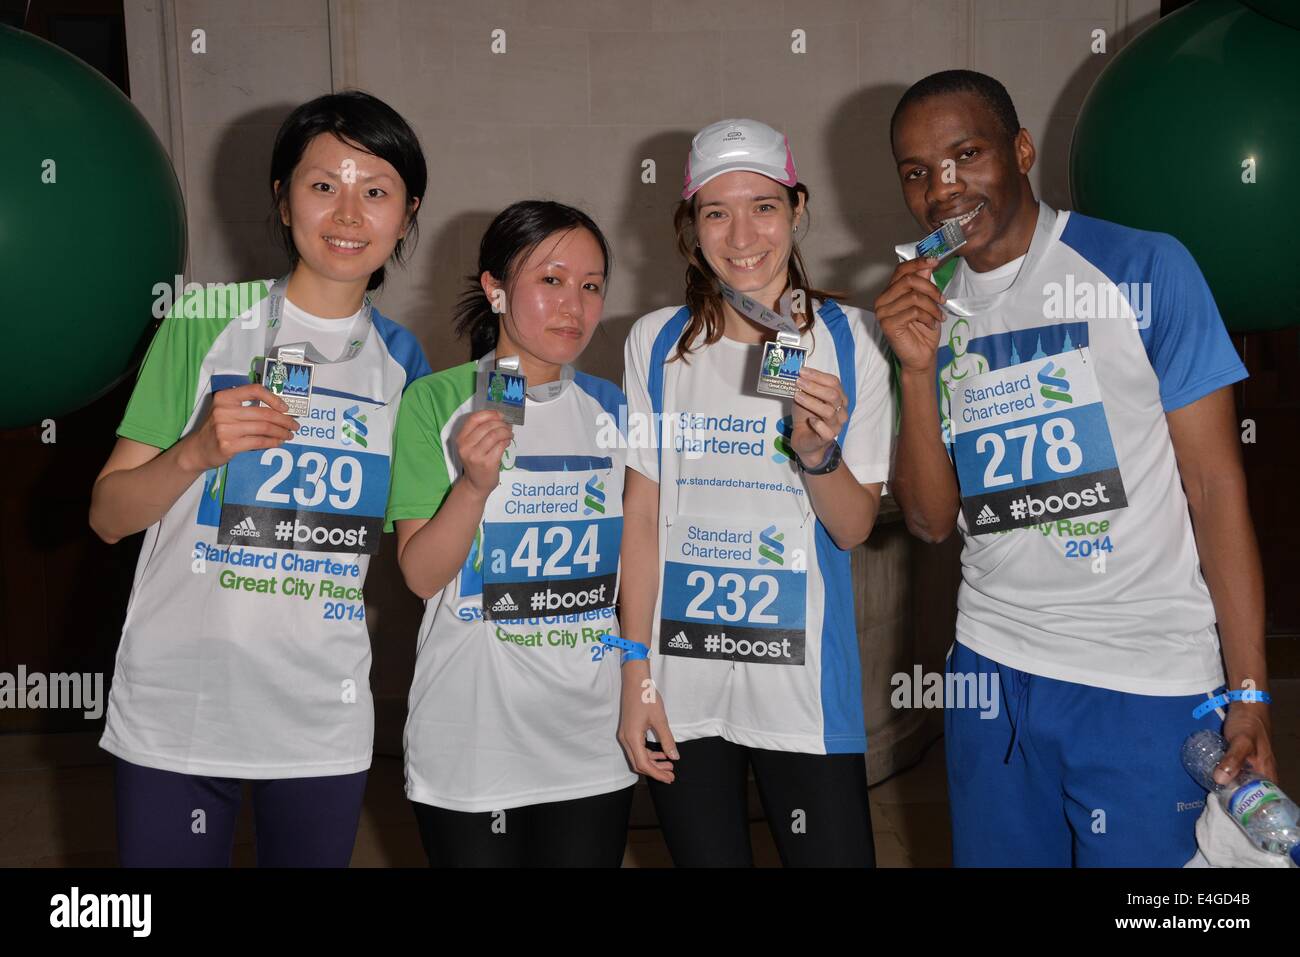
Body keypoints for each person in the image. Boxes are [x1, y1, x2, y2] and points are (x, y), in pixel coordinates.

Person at [878, 69, 1276, 866]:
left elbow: (1214, 488)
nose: (943, 189)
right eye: (918, 172)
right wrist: (915, 371)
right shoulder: (927, 308)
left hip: (1145, 675)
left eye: (966, 154)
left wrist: (1251, 690)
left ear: (1021, 151)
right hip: (991, 670)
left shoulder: (1143, 268)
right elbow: (927, 521)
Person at [89, 90, 431, 867]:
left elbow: (419, 558)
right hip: (181, 704)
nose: (348, 214)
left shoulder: (407, 363)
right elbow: (109, 513)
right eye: (322, 186)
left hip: (320, 714)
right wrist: (194, 453)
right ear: (282, 201)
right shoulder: (206, 320)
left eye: (375, 191)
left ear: (407, 216)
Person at [618, 119, 895, 867]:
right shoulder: (654, 342)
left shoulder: (854, 337)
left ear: (798, 209)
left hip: (802, 695)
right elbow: (640, 517)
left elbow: (853, 526)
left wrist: (816, 452)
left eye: (764, 206)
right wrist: (634, 673)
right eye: (716, 211)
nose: (742, 233)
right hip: (682, 683)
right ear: (690, 226)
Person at [387, 200, 636, 867]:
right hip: (472, 742)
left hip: (590, 741)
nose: (574, 306)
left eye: (590, 286)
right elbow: (420, 574)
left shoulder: (616, 407)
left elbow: (638, 564)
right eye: (551, 280)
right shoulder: (435, 402)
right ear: (495, 289)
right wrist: (472, 485)